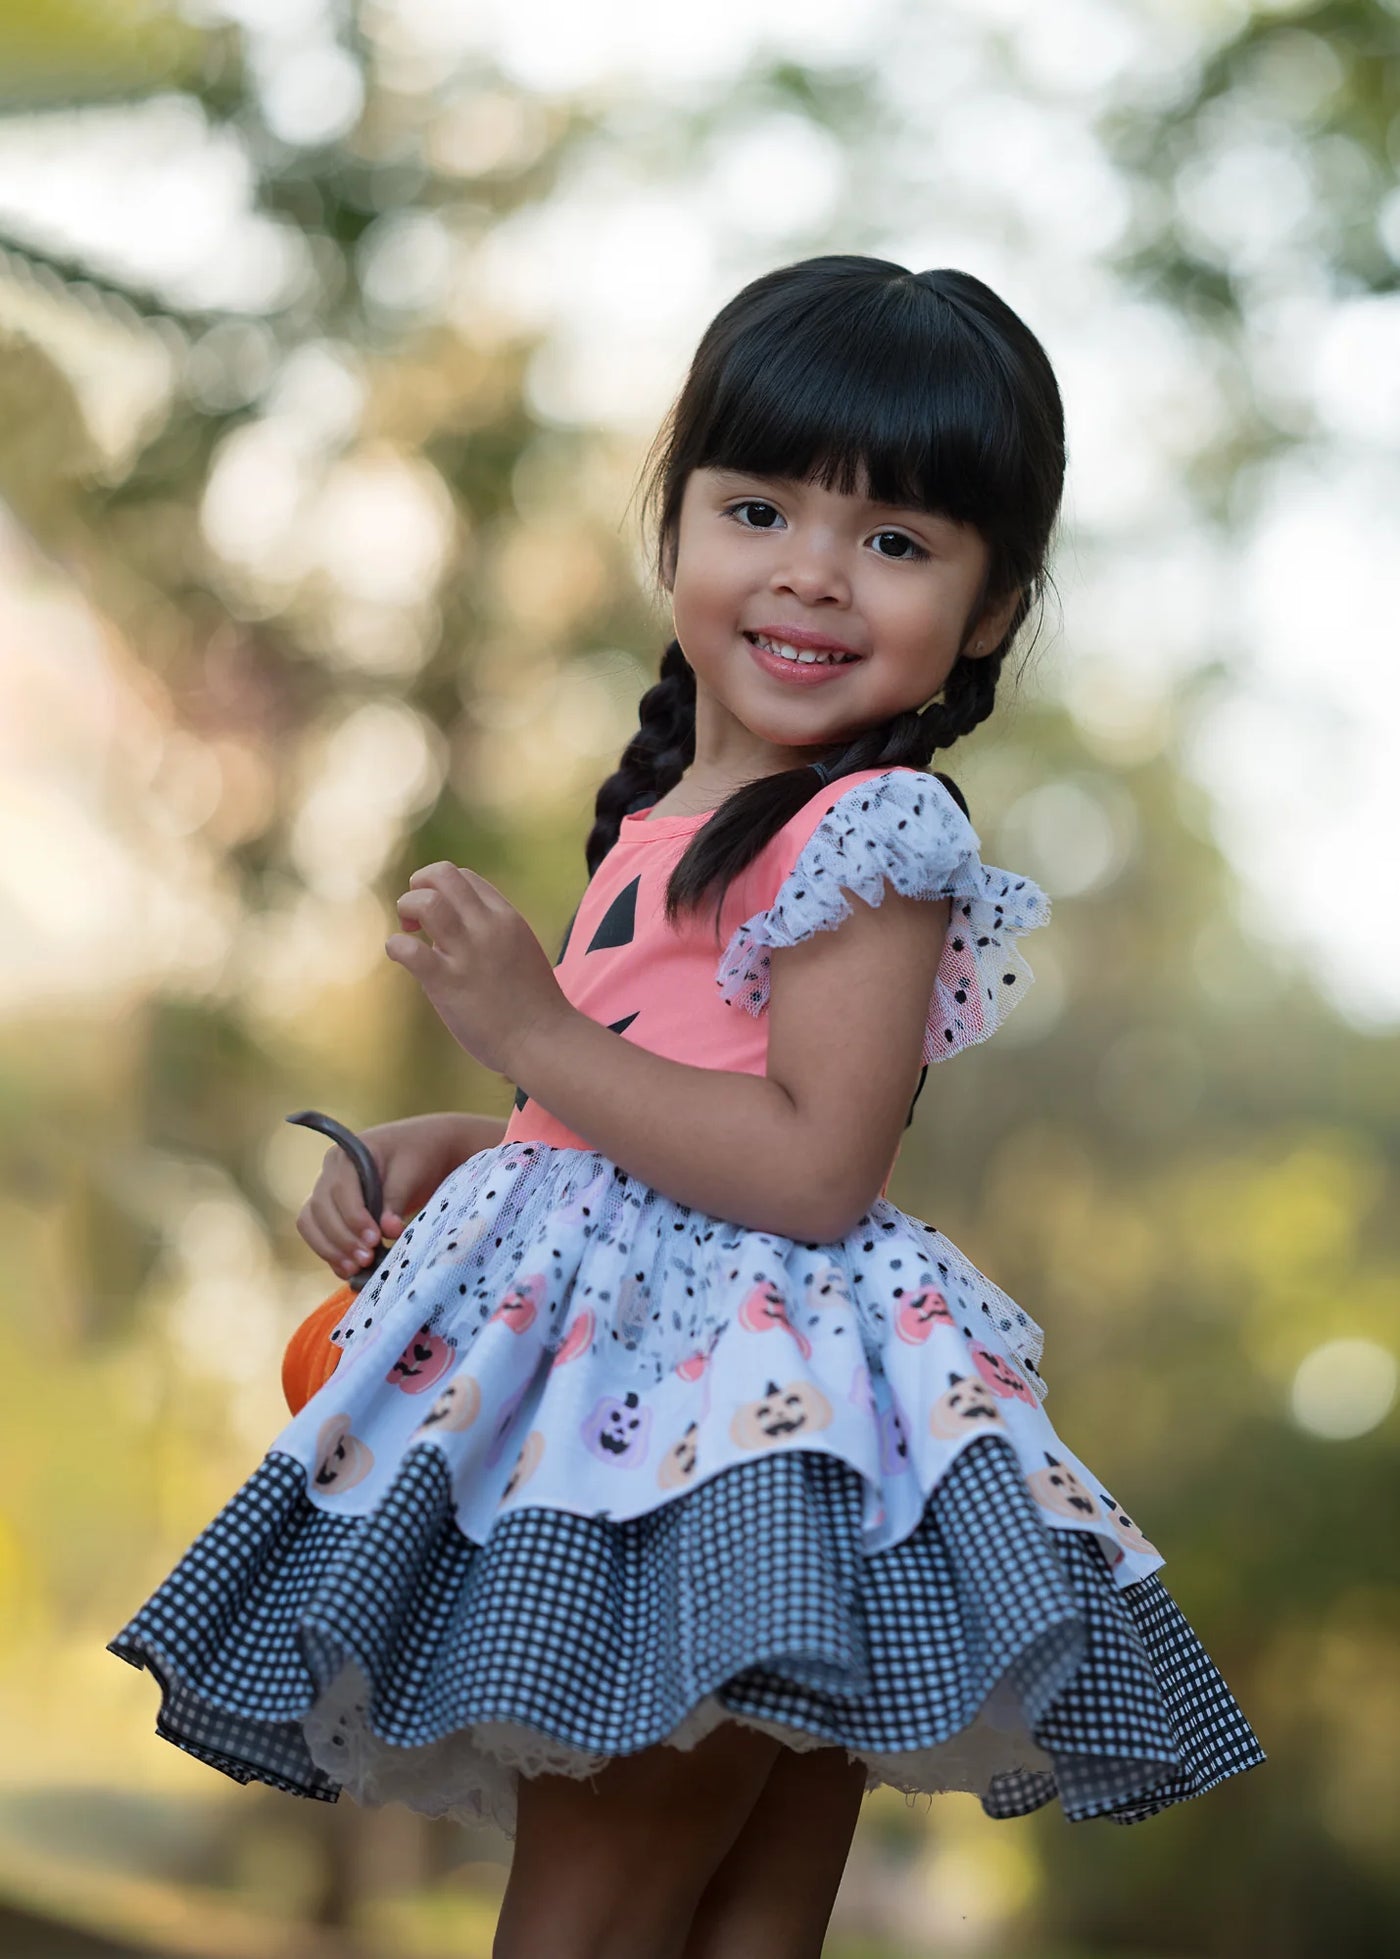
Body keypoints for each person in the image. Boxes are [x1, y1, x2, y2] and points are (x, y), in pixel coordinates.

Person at [109, 256, 1265, 1958]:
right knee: (715, 1917)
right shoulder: (661, 813)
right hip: (677, 1405)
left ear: (994, 606)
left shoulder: (874, 836)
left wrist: (527, 1026)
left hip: (718, 1441)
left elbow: (809, 1166)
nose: (813, 572)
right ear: (675, 532)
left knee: (598, 1911)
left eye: (895, 540)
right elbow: (620, 1120)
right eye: (759, 507)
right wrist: (456, 1147)